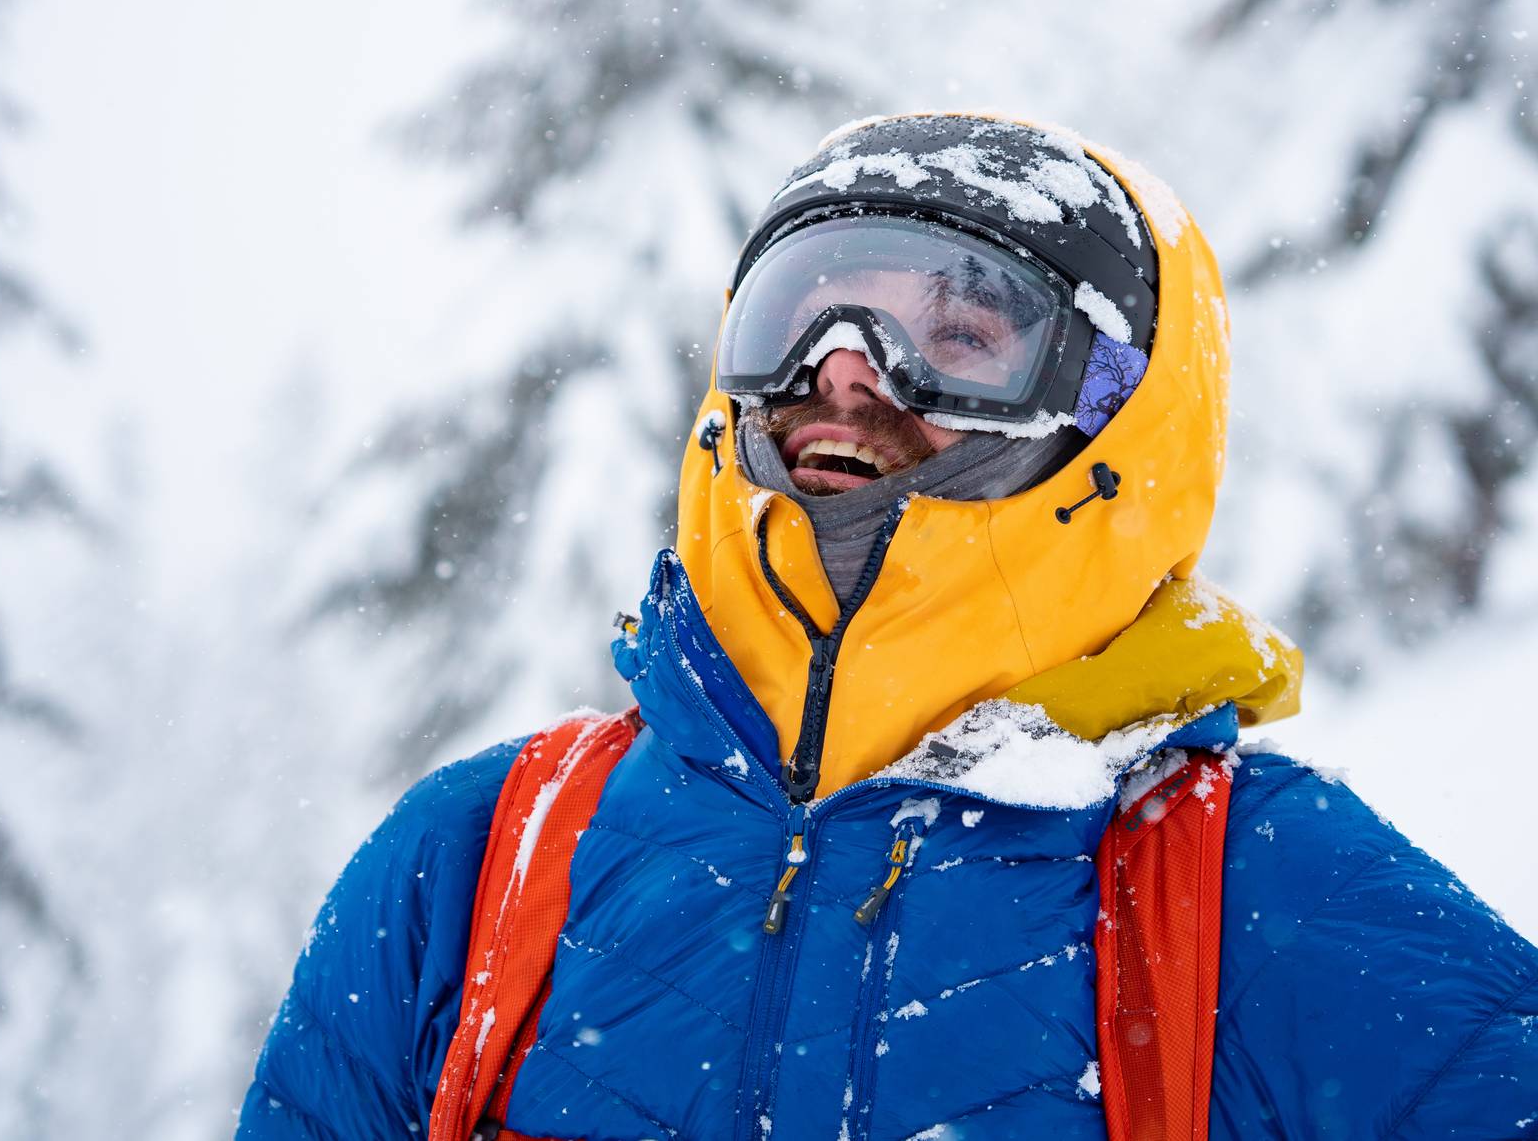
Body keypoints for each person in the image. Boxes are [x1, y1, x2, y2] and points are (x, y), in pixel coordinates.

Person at [236, 112, 1538, 1139]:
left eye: (962, 334)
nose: (847, 370)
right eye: (802, 320)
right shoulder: (476, 862)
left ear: (1115, 415)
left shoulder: (1258, 897)